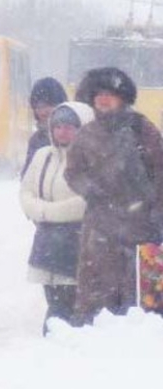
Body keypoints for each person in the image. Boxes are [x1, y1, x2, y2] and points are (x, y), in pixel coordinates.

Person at [66, 67, 163, 323]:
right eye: (98, 94)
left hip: (140, 227)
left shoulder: (143, 129)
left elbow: (160, 171)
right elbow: (72, 172)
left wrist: (156, 212)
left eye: (110, 94)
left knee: (139, 298)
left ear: (123, 97)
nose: (103, 99)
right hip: (99, 228)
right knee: (95, 297)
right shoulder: (86, 134)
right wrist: (89, 189)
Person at [19, 101, 94, 332]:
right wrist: (40, 210)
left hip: (78, 243)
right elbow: (26, 192)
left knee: (67, 308)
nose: (63, 131)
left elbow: (88, 201)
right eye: (58, 126)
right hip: (47, 243)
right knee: (54, 302)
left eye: (71, 126)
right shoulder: (43, 156)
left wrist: (46, 212)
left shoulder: (92, 159)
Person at [22, 77, 68, 176]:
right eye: (39, 107)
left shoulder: (73, 136)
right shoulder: (35, 140)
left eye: (49, 105)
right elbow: (27, 177)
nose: (43, 111)